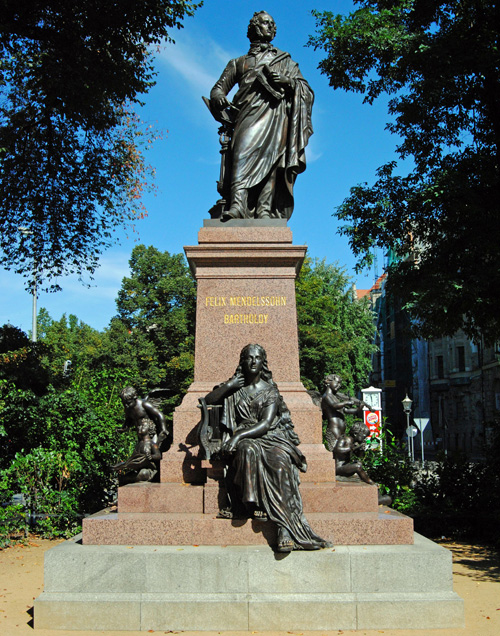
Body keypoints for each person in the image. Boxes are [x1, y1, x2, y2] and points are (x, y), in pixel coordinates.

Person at [204, 343, 332, 552]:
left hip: (270, 436)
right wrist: (228, 386)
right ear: (242, 361)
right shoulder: (235, 389)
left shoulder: (270, 390)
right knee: (247, 450)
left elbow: (265, 423)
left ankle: (284, 528)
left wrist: (237, 436)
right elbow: (208, 401)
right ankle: (251, 503)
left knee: (281, 465)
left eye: (257, 358)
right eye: (249, 357)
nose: (253, 361)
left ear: (263, 362)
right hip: (246, 439)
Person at [208, 11, 314, 221]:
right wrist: (218, 97)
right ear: (255, 27)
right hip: (246, 116)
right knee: (240, 155)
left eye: (272, 24)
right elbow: (218, 89)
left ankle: (264, 209)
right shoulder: (238, 63)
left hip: (276, 117)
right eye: (266, 23)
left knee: (273, 160)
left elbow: (306, 90)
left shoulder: (285, 61)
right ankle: (238, 205)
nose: (271, 27)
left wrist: (287, 82)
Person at [321, 374, 372, 452]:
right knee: (337, 451)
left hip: (341, 430)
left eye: (340, 384)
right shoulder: (327, 396)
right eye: (337, 383)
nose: (339, 385)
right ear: (328, 382)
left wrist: (359, 409)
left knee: (343, 449)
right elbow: (335, 406)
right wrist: (346, 402)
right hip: (334, 429)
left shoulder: (334, 397)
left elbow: (346, 410)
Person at [112, 418, 162, 485]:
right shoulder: (139, 443)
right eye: (140, 426)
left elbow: (158, 455)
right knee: (130, 475)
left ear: (149, 430)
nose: (140, 427)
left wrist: (151, 456)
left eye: (143, 426)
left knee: (143, 473)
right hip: (138, 469)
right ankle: (125, 479)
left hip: (149, 470)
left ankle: (127, 479)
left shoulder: (152, 443)